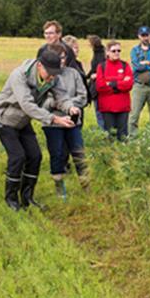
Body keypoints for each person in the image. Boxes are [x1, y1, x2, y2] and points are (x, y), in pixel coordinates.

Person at [0, 49, 75, 211]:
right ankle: (11, 200)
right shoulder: (19, 75)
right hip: (4, 119)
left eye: (55, 74)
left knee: (35, 156)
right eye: (49, 73)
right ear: (39, 66)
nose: (52, 77)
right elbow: (27, 105)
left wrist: (70, 108)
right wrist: (54, 119)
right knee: (18, 157)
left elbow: (62, 97)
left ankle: (28, 198)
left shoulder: (53, 77)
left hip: (22, 120)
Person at [41, 42, 89, 201]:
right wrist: (56, 104)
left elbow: (83, 97)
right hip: (53, 122)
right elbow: (43, 102)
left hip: (73, 120)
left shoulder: (73, 74)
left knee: (78, 150)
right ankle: (59, 186)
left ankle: (86, 183)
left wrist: (68, 104)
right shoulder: (46, 75)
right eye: (58, 58)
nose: (62, 61)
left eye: (64, 57)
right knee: (57, 153)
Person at [96, 41, 134, 141]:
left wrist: (112, 84)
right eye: (113, 51)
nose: (116, 53)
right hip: (107, 107)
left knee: (123, 136)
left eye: (118, 50)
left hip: (123, 106)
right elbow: (100, 86)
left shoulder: (125, 65)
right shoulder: (102, 66)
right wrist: (120, 83)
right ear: (107, 52)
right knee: (110, 135)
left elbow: (129, 84)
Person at [86, 35, 106, 129]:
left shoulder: (100, 55)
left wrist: (94, 75)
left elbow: (99, 68)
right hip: (97, 83)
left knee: (99, 110)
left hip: (98, 85)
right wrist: (86, 76)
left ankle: (103, 130)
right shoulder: (99, 53)